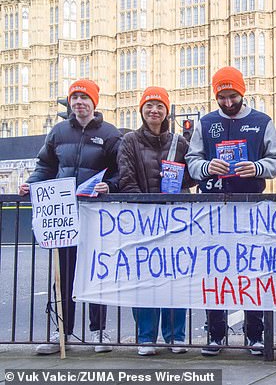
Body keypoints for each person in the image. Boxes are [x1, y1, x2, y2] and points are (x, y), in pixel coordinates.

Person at [185, 66, 276, 356]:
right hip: (213, 208)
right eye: (222, 97)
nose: (228, 103)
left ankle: (254, 334)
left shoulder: (261, 121)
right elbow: (192, 160)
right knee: (214, 273)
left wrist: (257, 167)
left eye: (233, 96)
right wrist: (205, 167)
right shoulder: (206, 123)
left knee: (252, 271)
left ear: (243, 92)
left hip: (250, 207)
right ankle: (215, 334)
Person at [19, 79, 121, 355]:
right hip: (65, 216)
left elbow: (120, 171)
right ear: (71, 102)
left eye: (84, 98)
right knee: (62, 275)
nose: (79, 103)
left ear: (94, 103)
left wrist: (110, 185)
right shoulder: (58, 132)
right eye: (75, 98)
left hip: (96, 215)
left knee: (96, 272)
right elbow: (45, 166)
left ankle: (99, 332)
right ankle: (62, 332)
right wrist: (31, 183)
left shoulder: (110, 134)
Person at [117, 86, 194, 356]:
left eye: (160, 106)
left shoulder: (180, 143)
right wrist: (146, 210)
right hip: (144, 220)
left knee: (175, 278)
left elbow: (191, 178)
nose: (154, 110)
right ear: (141, 110)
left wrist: (178, 177)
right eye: (149, 105)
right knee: (145, 279)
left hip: (174, 220)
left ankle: (176, 337)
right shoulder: (129, 142)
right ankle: (146, 337)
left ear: (167, 111)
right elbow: (126, 179)